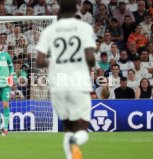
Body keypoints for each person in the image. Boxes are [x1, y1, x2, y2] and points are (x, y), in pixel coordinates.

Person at [35, 1, 96, 159]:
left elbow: (39, 61)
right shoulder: (84, 28)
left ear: (58, 14)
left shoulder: (49, 30)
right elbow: (90, 59)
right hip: (79, 83)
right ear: (76, 13)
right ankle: (76, 140)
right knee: (81, 128)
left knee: (68, 128)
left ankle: (71, 154)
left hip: (58, 84)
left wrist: (54, 61)